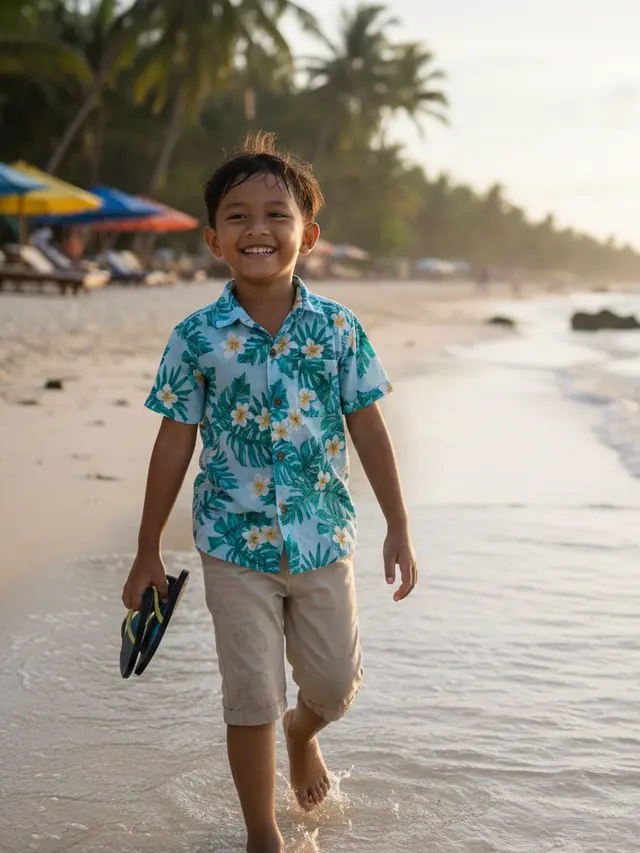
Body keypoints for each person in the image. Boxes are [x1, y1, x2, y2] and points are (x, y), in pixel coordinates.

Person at [121, 133, 417, 853]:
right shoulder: (196, 337)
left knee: (335, 684)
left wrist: (398, 525)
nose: (259, 228)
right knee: (250, 693)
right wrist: (146, 547)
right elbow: (173, 439)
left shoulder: (338, 329)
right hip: (232, 543)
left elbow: (370, 430)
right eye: (238, 215)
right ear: (215, 239)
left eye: (276, 215)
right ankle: (264, 834)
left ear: (308, 234)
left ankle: (303, 732)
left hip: (323, 537)